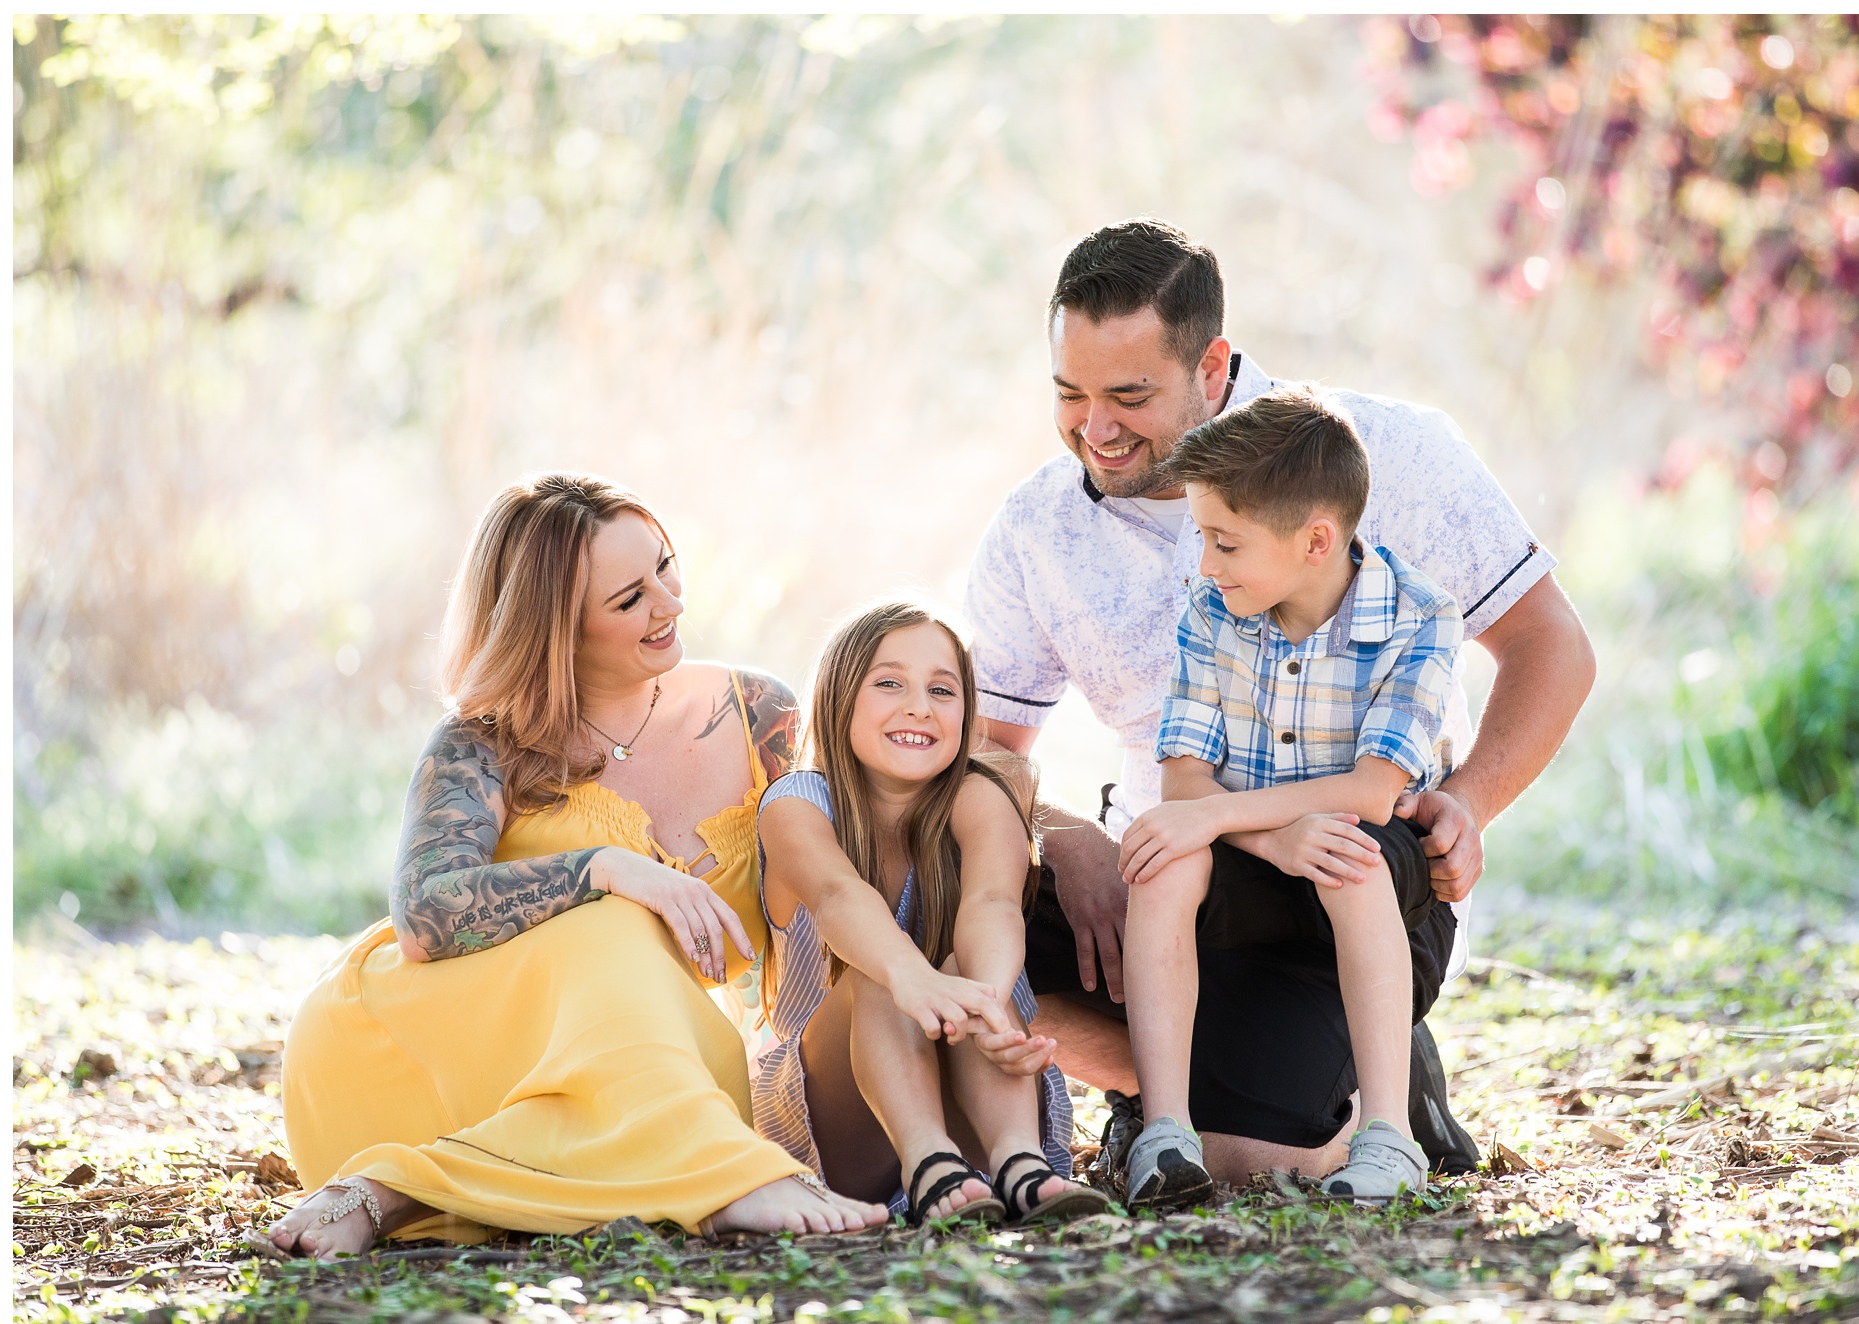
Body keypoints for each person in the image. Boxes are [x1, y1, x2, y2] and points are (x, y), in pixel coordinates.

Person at [964, 217, 1596, 1186]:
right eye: (1068, 394)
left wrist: (1467, 800)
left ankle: (1362, 1088)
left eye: (1129, 395)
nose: (1095, 428)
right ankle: (1168, 1085)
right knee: (932, 909)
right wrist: (1061, 832)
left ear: (1210, 365)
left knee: (1257, 1157)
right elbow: (980, 751)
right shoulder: (1035, 527)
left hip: (1344, 871)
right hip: (1163, 863)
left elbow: (1549, 645)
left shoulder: (1384, 452)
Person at [260, 473, 887, 1259]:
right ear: (555, 629)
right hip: (422, 1047)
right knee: (619, 921)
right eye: (629, 599)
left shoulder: (759, 713)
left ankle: (392, 1190)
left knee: (665, 1049)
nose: (669, 603)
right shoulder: (483, 742)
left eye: (667, 566)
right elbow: (424, 913)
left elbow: (853, 853)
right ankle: (721, 1176)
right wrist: (606, 868)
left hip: (645, 1071)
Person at [1116, 386, 1458, 1208]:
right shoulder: (1214, 609)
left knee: (1349, 855)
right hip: (1258, 857)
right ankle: (1162, 1133)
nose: (1206, 563)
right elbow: (1185, 780)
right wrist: (1267, 838)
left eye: (1224, 542)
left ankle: (1390, 1135)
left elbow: (1374, 790)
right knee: (1166, 860)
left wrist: (1229, 817)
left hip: (1381, 860)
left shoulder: (1420, 617)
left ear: (1315, 541)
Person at [754, 604, 1109, 1226]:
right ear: (840, 701)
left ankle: (1019, 1163)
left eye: (941, 690)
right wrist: (912, 980)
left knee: (966, 971)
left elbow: (992, 905)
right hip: (843, 1117)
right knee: (883, 970)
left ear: (966, 714)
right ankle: (928, 1165)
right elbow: (840, 896)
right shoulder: (797, 803)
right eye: (890, 683)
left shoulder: (980, 796)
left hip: (973, 1088)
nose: (919, 706)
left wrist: (990, 1004)